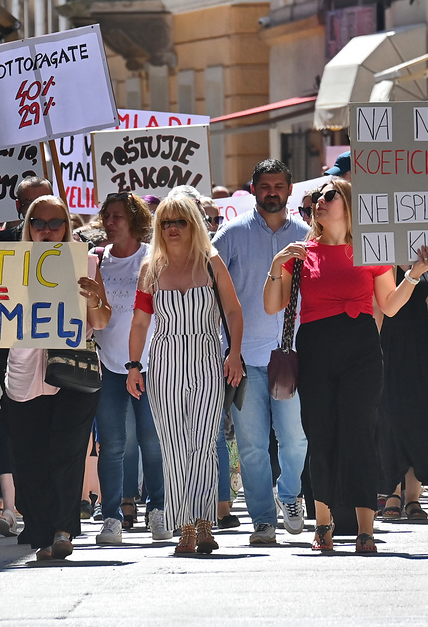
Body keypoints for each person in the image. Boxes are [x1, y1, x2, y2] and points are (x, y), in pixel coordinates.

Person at [264, 177, 428, 554]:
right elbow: (272, 305)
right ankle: (322, 526)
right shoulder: (301, 252)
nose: (319, 202)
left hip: (361, 350)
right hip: (316, 350)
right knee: (321, 435)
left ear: (347, 204)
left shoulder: (372, 250)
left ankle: (365, 530)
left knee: (360, 435)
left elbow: (389, 306)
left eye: (329, 196)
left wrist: (416, 274)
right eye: (316, 199)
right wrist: (276, 265)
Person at [0, 195, 110, 560]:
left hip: (72, 370)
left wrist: (95, 299)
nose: (47, 231)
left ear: (67, 226)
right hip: (23, 372)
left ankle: (64, 529)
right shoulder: (7, 266)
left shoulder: (87, 260)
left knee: (66, 450)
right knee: (29, 456)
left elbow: (101, 321)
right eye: (39, 223)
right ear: (28, 225)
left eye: (55, 223)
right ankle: (44, 532)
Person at [128, 192, 244, 555]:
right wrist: (134, 366)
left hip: (208, 358)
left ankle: (206, 522)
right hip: (164, 363)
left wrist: (235, 354)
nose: (173, 228)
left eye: (180, 221)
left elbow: (235, 312)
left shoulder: (212, 263)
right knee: (174, 447)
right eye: (165, 222)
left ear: (193, 224)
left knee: (205, 443)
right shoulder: (151, 268)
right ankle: (186, 527)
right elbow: (140, 321)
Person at [211, 159, 310, 545]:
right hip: (244, 356)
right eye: (265, 185)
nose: (272, 191)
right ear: (253, 189)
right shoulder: (230, 236)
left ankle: (289, 497)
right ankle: (263, 520)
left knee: (296, 439)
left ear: (289, 190)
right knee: (251, 445)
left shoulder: (306, 236)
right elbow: (211, 291)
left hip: (293, 354)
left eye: (279, 185)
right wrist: (226, 350)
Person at [91, 192, 170, 545]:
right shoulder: (95, 260)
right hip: (108, 366)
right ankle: (111, 518)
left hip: (150, 365)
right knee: (111, 445)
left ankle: (159, 510)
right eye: (106, 215)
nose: (109, 222)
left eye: (117, 216)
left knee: (153, 442)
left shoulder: (153, 259)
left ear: (134, 219)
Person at [378, 254, 428, 522]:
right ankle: (392, 493)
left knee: (420, 420)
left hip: (424, 346)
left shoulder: (424, 261)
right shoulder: (382, 261)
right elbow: (381, 308)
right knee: (391, 419)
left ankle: (413, 497)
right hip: (391, 344)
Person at [0, 176, 53, 242]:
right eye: (29, 204)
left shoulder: (62, 239)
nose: (36, 210)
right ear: (18, 206)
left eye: (43, 204)